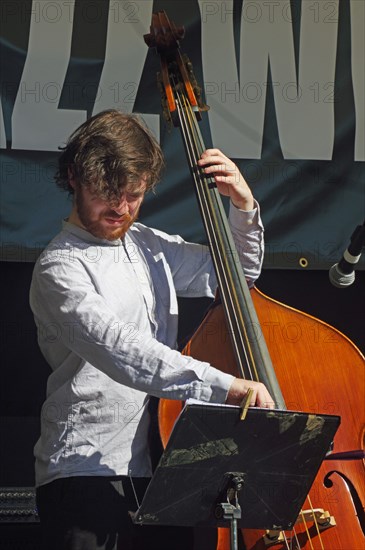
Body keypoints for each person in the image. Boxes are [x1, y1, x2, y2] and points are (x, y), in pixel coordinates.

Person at [30, 109, 274, 550]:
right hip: (86, 472)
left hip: (163, 470)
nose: (121, 209)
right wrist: (225, 387)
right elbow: (122, 351)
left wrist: (242, 204)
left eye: (134, 195)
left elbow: (236, 277)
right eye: (108, 194)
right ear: (73, 178)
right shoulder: (59, 268)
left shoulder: (145, 243)